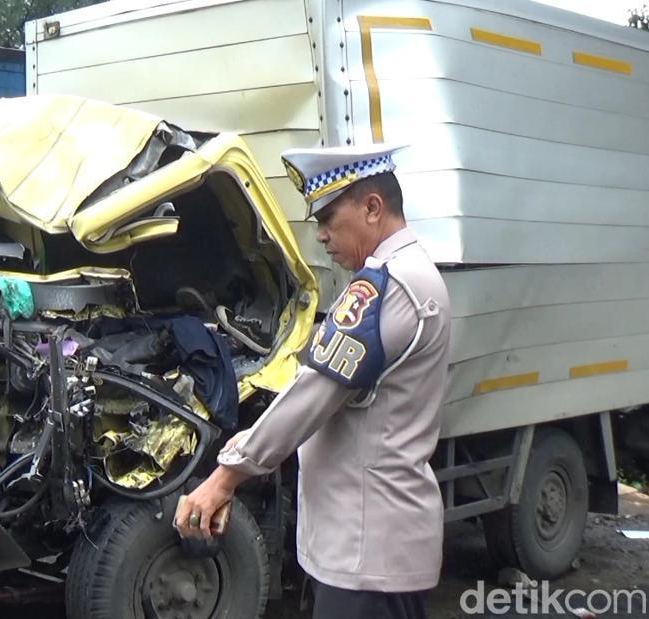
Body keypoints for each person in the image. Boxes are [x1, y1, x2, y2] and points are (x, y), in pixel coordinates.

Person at [174, 144, 451, 619]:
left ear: (372, 207)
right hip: (370, 547)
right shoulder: (407, 276)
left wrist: (225, 477)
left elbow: (316, 392)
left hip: (367, 558)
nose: (320, 235)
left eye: (327, 217)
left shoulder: (386, 286)